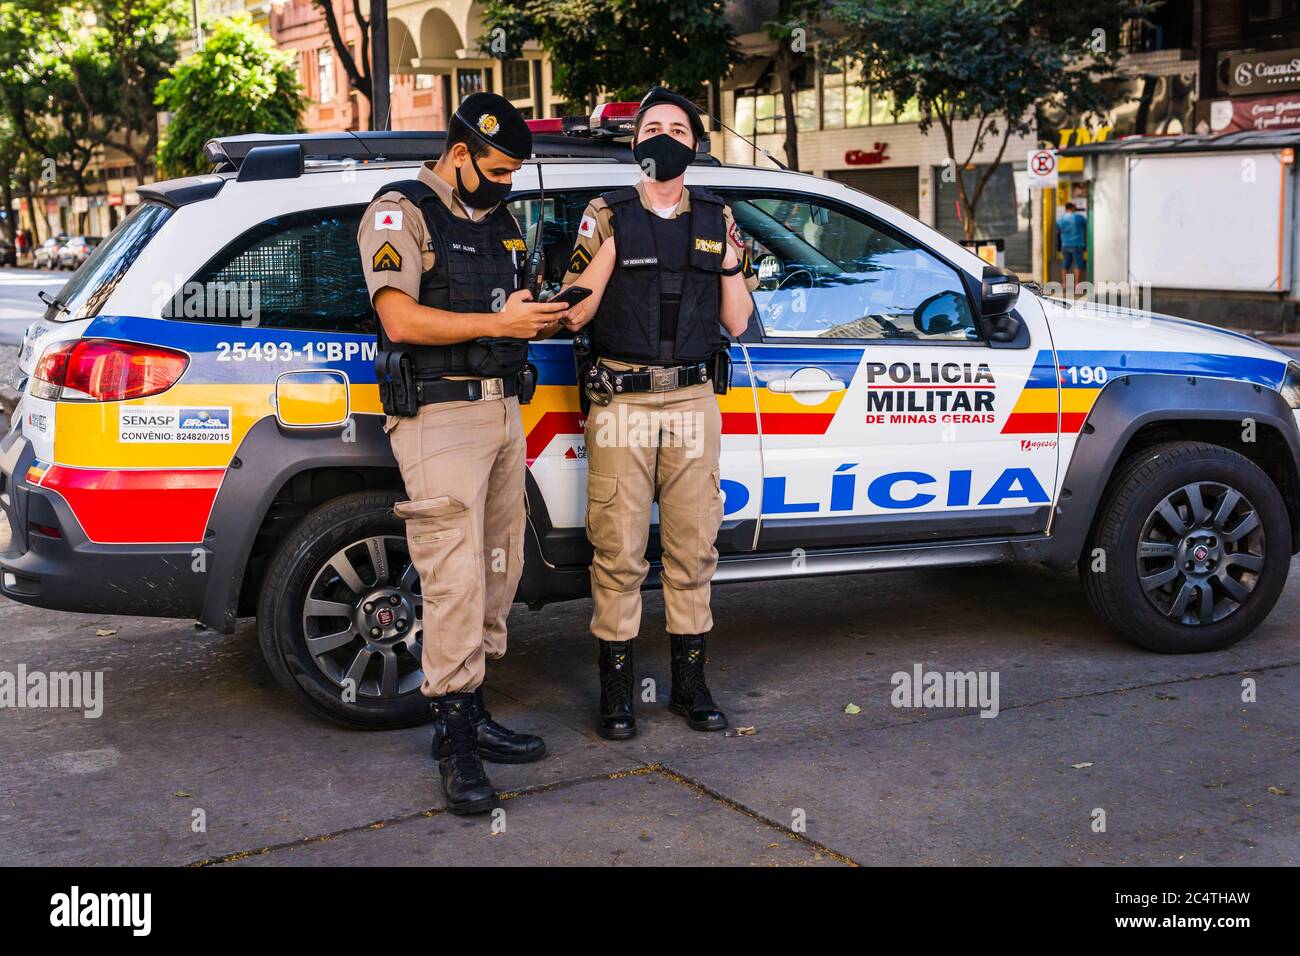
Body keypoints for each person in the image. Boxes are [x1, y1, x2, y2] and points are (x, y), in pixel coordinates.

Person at [356, 92, 569, 814]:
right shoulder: (400, 212)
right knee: (450, 577)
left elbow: (507, 310)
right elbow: (400, 317)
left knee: (496, 569)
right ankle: (452, 739)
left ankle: (474, 708)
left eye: (514, 172)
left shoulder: (501, 223)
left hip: (505, 409)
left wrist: (534, 316)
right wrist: (495, 320)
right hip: (440, 415)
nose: (507, 182)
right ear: (458, 155)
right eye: (499, 169)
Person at [558, 87, 757, 740]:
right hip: (621, 396)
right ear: (635, 142)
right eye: (653, 128)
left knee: (693, 544)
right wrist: (624, 239)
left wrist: (728, 255)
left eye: (678, 128)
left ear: (695, 147)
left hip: (694, 396)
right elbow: (574, 311)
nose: (664, 137)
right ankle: (617, 694)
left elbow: (737, 319)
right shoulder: (605, 213)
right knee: (617, 547)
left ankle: (690, 686)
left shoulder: (717, 216)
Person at [1056, 201, 1088, 291]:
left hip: (1065, 244)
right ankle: (1077, 284)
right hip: (1077, 244)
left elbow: (1058, 230)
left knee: (1065, 264)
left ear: (1066, 209)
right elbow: (1087, 225)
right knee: (1078, 264)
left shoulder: (1060, 219)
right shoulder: (1079, 218)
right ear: (1073, 208)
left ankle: (1064, 284)